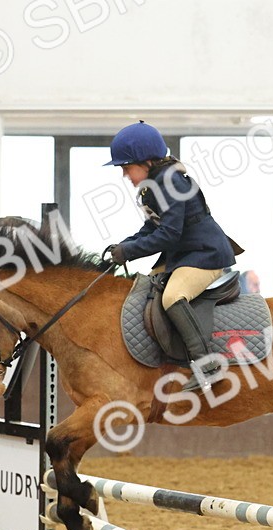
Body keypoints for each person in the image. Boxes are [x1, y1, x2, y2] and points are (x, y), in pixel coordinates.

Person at [104, 122, 236, 391]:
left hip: (205, 255)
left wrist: (129, 251)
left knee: (172, 297)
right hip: (183, 254)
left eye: (127, 168)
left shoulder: (170, 182)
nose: (125, 176)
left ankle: (206, 365)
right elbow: (152, 227)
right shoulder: (154, 184)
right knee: (142, 291)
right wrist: (123, 246)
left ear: (147, 161)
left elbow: (169, 235)